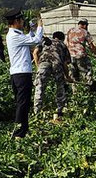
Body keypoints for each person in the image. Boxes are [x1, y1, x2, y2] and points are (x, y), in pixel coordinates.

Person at [5, 10, 43, 138]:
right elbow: (36, 40)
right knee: (23, 103)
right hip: (22, 74)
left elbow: (29, 39)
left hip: (17, 73)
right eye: (21, 21)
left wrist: (32, 30)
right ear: (16, 22)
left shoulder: (16, 34)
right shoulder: (15, 36)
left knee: (23, 103)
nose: (22, 23)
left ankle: (23, 129)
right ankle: (18, 133)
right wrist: (40, 26)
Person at [32, 32, 70, 121]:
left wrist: (38, 66)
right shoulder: (62, 45)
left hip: (44, 64)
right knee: (60, 87)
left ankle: (36, 112)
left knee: (40, 87)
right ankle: (60, 111)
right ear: (62, 38)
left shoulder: (44, 41)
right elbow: (65, 63)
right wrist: (67, 76)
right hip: (57, 64)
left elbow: (35, 53)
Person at [66, 19, 96, 88]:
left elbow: (67, 43)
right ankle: (88, 88)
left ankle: (75, 91)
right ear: (85, 25)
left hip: (71, 56)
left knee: (74, 74)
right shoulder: (85, 32)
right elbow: (91, 46)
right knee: (87, 72)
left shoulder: (70, 31)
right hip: (80, 56)